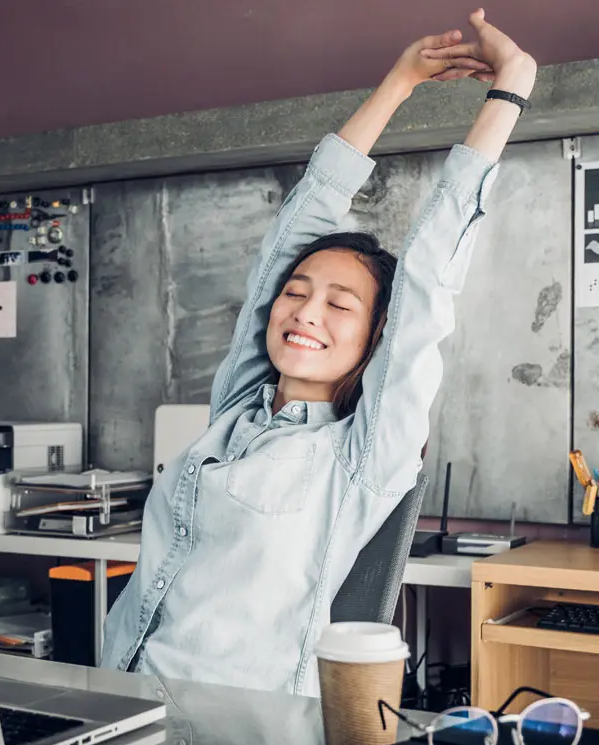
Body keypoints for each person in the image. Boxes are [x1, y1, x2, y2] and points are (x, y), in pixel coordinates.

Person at [101, 9, 536, 696]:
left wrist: (510, 90)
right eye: (296, 294)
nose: (305, 311)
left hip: (242, 728)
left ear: (375, 339)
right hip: (122, 691)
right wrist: (397, 83)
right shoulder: (238, 409)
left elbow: (426, 281)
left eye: (339, 306)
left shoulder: (363, 453)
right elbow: (298, 226)